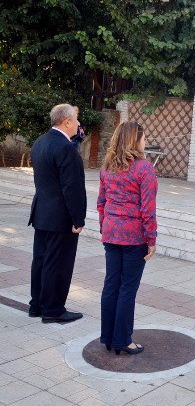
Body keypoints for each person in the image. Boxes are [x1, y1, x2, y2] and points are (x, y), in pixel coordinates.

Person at [97, 121, 157, 355]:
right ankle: (123, 339)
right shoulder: (144, 169)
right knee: (127, 288)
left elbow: (101, 202)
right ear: (135, 140)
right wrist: (151, 238)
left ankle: (108, 337)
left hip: (111, 233)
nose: (146, 141)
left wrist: (105, 226)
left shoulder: (107, 167)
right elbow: (147, 209)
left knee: (111, 284)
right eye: (143, 137)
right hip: (134, 236)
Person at [28, 104, 87, 323]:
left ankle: (37, 305)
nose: (79, 124)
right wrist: (78, 218)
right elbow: (72, 187)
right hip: (60, 217)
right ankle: (53, 310)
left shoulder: (39, 142)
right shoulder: (65, 147)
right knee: (58, 263)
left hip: (42, 212)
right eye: (76, 120)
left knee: (41, 260)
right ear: (67, 122)